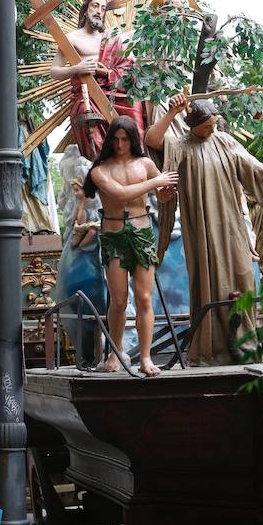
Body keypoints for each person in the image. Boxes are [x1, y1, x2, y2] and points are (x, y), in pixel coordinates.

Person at [146, 94, 263, 366]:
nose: (211, 129)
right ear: (193, 125)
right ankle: (212, 348)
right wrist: (171, 113)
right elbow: (152, 140)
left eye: (213, 123)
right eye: (206, 126)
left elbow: (251, 165)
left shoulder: (225, 141)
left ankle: (246, 341)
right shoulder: (181, 145)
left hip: (232, 223)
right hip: (201, 226)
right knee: (209, 280)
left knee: (243, 276)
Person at [83, 117, 179, 377]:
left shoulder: (145, 164)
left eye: (125, 139)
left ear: (133, 140)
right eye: (115, 139)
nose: (120, 144)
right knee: (119, 300)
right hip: (114, 237)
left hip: (142, 234)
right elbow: (121, 194)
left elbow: (162, 193)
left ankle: (146, 358)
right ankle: (115, 352)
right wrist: (156, 183)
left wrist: (165, 191)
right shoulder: (99, 170)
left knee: (145, 297)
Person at [49, 0, 144, 159]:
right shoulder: (71, 38)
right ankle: (100, 164)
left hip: (116, 91)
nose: (99, 11)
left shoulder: (113, 37)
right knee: (84, 114)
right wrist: (77, 68)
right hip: (87, 94)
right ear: (85, 10)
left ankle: (136, 161)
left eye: (103, 8)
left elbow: (130, 67)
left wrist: (106, 73)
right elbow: (54, 72)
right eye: (95, 6)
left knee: (134, 109)